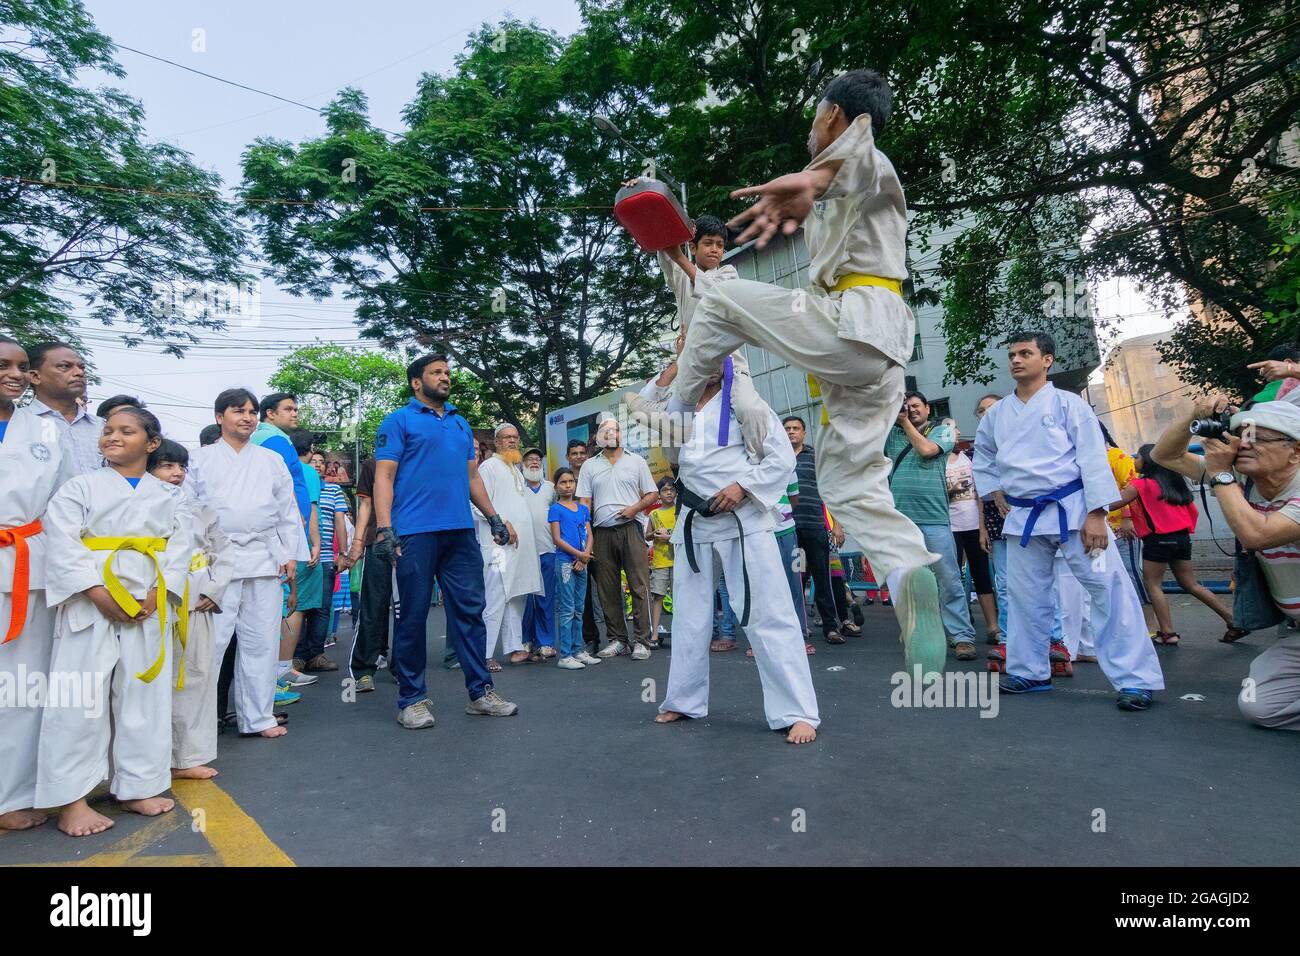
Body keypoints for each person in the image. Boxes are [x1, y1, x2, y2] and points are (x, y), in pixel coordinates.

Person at [669, 69, 947, 675]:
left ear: (836, 118)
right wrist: (813, 186)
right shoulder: (850, 186)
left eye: (815, 119)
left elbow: (852, 163)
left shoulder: (870, 159)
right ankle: (909, 575)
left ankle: (677, 405)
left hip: (855, 324)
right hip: (874, 362)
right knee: (850, 485)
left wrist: (812, 177)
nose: (809, 132)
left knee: (720, 297)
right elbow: (835, 179)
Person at [972, 331, 1164, 710]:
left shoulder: (1069, 404)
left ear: (1047, 360)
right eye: (1012, 354)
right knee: (1026, 597)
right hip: (1024, 515)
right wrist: (995, 491)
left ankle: (1135, 679)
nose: (1016, 360)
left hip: (1073, 510)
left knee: (1108, 590)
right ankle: (1029, 670)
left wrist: (1096, 514)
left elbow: (1093, 457)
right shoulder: (996, 415)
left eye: (1025, 353)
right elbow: (984, 456)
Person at [642, 358, 820, 744]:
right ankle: (683, 699)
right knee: (689, 619)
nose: (701, 362)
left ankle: (797, 711)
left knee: (768, 614)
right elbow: (642, 406)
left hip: (744, 521)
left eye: (710, 353)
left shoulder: (745, 402)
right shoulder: (681, 403)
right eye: (697, 354)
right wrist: (674, 366)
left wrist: (743, 486)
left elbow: (781, 457)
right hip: (693, 521)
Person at [38, 406, 192, 836]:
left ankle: (137, 785)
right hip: (91, 603)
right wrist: (95, 590)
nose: (112, 437)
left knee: (144, 695)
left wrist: (157, 592)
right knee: (79, 700)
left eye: (126, 431)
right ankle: (71, 799)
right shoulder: (79, 488)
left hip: (147, 600)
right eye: (107, 430)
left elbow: (180, 546)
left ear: (152, 443)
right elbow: (62, 543)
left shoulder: (170, 495)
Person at [372, 354, 518, 728]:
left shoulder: (460, 423)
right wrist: (385, 528)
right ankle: (412, 700)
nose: (445, 377)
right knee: (414, 615)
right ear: (416, 382)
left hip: (460, 533)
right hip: (414, 533)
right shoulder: (398, 420)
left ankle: (481, 693)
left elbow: (472, 477)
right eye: (436, 372)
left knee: (470, 612)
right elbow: (384, 477)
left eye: (448, 372)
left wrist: (494, 517)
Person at [1152, 396, 1300, 729]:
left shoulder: (1232, 479)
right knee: (1257, 706)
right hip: (1295, 632)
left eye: (1258, 438)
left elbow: (1257, 535)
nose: (1243, 445)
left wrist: (1221, 476)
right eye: (1241, 435)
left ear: (1296, 450)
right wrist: (1192, 413)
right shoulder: (1245, 483)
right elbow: (1165, 455)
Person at [187, 388, 302, 738]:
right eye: (239, 411)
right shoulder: (199, 459)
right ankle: (197, 725)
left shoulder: (271, 460)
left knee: (261, 642)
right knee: (210, 645)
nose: (248, 417)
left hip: (264, 558)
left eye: (252, 411)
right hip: (216, 559)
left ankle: (258, 717)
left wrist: (290, 554)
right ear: (220, 417)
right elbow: (186, 512)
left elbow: (287, 510)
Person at [0, 337, 77, 832]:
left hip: (27, 565)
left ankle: (11, 795)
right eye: (3, 364)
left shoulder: (45, 430)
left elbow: (67, 504)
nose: (15, 373)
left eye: (22, 366)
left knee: (21, 689)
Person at [625, 206, 768, 458]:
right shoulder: (680, 275)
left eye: (720, 245)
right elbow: (663, 245)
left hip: (730, 363)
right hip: (690, 361)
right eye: (708, 243)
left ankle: (757, 463)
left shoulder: (729, 274)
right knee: (672, 423)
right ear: (693, 247)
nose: (715, 249)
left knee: (750, 410)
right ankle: (679, 472)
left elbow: (716, 294)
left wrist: (679, 257)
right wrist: (645, 190)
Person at [149, 439, 231, 780]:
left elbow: (223, 553)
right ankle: (148, 760)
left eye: (181, 467)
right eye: (167, 466)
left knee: (196, 676)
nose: (176, 473)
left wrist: (214, 589)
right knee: (150, 680)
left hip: (195, 601)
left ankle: (186, 757)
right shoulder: (135, 506)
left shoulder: (202, 509)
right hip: (150, 601)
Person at [885, 392, 978, 659]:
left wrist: (904, 423)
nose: (910, 410)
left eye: (915, 406)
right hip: (902, 522)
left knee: (948, 579)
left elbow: (926, 451)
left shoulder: (943, 431)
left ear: (927, 408)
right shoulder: (891, 435)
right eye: (906, 407)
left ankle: (961, 636)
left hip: (934, 519)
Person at [1124, 444, 1242, 644]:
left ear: (1148, 461)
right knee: (1191, 584)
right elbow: (1193, 512)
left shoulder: (1139, 485)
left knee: (1153, 584)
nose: (1134, 461)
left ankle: (1168, 633)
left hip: (1157, 540)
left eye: (1138, 457)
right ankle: (1232, 618)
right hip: (1182, 539)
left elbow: (1113, 503)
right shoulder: (1176, 483)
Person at [576, 416, 660, 660]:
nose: (611, 435)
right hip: (601, 531)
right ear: (598, 437)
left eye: (615, 431)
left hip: (630, 528)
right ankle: (618, 640)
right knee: (607, 588)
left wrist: (634, 509)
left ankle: (642, 640)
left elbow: (653, 493)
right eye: (605, 431)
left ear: (621, 434)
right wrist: (585, 535)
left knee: (639, 584)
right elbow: (584, 503)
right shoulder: (590, 465)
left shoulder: (636, 461)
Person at [476, 424, 544, 668]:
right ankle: (484, 654)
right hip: (498, 544)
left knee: (517, 596)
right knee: (495, 597)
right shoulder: (489, 467)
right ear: (496, 442)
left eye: (515, 437)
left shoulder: (515, 469)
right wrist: (503, 524)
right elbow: (476, 504)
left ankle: (515, 648)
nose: (513, 441)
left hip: (520, 548)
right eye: (507, 438)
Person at [783, 415, 851, 645]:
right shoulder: (777, 458)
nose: (791, 432)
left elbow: (832, 491)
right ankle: (797, 627)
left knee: (823, 579)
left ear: (804, 433)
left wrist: (838, 525)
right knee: (796, 579)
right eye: (788, 428)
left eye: (796, 428)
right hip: (789, 530)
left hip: (815, 527)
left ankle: (831, 627)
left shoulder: (816, 458)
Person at [340, 456, 392, 694]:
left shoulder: (418, 459)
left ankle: (403, 666)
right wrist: (357, 544)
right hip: (378, 543)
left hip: (413, 542)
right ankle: (363, 670)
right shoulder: (374, 464)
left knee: (408, 610)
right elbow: (366, 505)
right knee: (373, 606)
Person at [296, 443, 348, 672]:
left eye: (321, 462)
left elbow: (340, 522)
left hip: (326, 557)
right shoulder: (298, 487)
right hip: (298, 555)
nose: (317, 465)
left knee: (322, 607)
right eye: (313, 461)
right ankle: (296, 655)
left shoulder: (334, 490)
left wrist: (343, 554)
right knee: (297, 607)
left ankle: (316, 654)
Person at [279, 429, 322, 692]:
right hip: (298, 545)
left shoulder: (271, 463)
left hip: (275, 545)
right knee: (295, 605)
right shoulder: (307, 473)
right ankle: (284, 668)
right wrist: (315, 544)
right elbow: (311, 510)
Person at [947, 440, 998, 645]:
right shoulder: (937, 462)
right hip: (950, 527)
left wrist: (982, 528)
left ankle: (993, 626)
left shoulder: (970, 460)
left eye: (955, 429)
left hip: (973, 525)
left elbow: (980, 495)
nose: (953, 433)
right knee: (953, 579)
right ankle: (959, 628)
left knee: (982, 575)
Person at [26, 342, 102, 474]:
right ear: (35, 377)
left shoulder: (103, 427)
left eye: (82, 367)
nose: (79, 373)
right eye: (65, 366)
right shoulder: (16, 425)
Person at [550, 467, 599, 669]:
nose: (568, 485)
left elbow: (589, 534)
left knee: (579, 609)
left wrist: (585, 556)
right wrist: (579, 555)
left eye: (570, 481)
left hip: (582, 562)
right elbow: (556, 538)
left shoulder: (583, 509)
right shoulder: (556, 509)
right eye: (563, 482)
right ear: (556, 486)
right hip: (565, 563)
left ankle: (579, 650)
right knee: (567, 609)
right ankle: (565, 655)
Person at [974, 394, 1008, 652]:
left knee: (1040, 585)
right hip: (998, 526)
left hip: (1032, 521)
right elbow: (981, 496)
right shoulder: (981, 450)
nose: (987, 414)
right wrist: (983, 529)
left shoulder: (1019, 439)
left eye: (992, 409)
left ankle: (1053, 640)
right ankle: (1008, 637)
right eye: (982, 410)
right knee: (1005, 584)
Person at [520, 447, 558, 660]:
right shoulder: (517, 487)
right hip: (523, 552)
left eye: (537, 459)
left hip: (547, 550)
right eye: (529, 459)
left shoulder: (551, 488)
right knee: (525, 600)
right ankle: (525, 641)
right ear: (522, 464)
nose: (534, 462)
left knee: (545, 599)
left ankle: (546, 642)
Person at [568, 438, 605, 652]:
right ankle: (590, 639)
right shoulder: (565, 479)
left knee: (608, 587)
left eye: (582, 453)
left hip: (599, 536)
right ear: (568, 457)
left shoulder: (595, 475)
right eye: (575, 453)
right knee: (584, 593)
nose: (579, 456)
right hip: (576, 543)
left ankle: (618, 637)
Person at [646, 477, 677, 645]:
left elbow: (683, 535)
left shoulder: (679, 512)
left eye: (672, 490)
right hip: (659, 561)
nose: (669, 493)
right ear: (659, 494)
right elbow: (647, 535)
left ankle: (679, 631)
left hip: (678, 561)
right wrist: (655, 533)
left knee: (678, 598)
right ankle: (655, 633)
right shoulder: (654, 514)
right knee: (657, 596)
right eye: (665, 490)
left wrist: (669, 536)